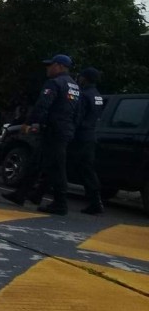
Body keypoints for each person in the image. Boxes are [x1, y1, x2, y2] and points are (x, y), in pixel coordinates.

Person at [2, 54, 80, 215]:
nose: (48, 68)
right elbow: (78, 112)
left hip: (54, 130)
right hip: (64, 129)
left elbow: (43, 105)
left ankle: (60, 203)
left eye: (50, 65)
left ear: (59, 66)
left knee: (57, 167)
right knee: (36, 162)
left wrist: (29, 123)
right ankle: (21, 194)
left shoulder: (55, 83)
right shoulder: (74, 86)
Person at [71, 67, 105, 214]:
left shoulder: (83, 95)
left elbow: (78, 116)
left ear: (85, 78)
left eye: (80, 76)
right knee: (87, 170)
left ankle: (43, 195)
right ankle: (96, 201)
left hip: (80, 136)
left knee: (59, 164)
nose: (78, 79)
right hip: (90, 136)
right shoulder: (97, 95)